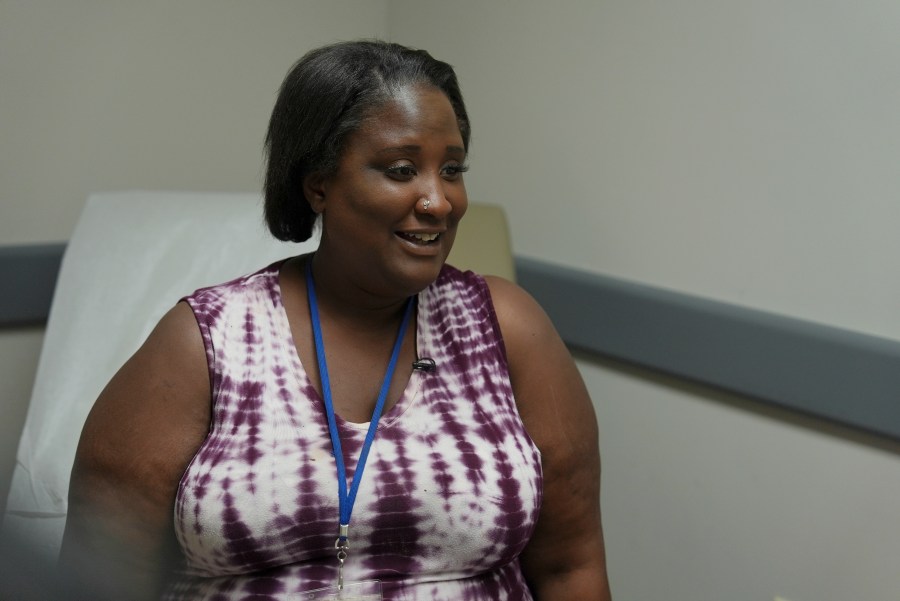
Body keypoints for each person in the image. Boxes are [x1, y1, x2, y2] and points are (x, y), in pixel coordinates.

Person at [60, 40, 611, 600]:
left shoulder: (506, 328)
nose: (439, 201)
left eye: (451, 169)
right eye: (402, 169)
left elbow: (571, 567)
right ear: (318, 184)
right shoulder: (205, 344)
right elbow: (95, 583)